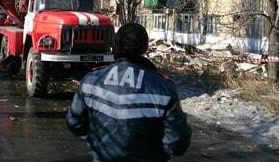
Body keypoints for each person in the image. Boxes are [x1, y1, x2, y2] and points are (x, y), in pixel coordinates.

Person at [66, 23, 191, 162]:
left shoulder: (92, 80)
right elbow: (176, 143)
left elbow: (74, 123)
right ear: (144, 47)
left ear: (116, 44)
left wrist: (97, 141)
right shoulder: (164, 87)